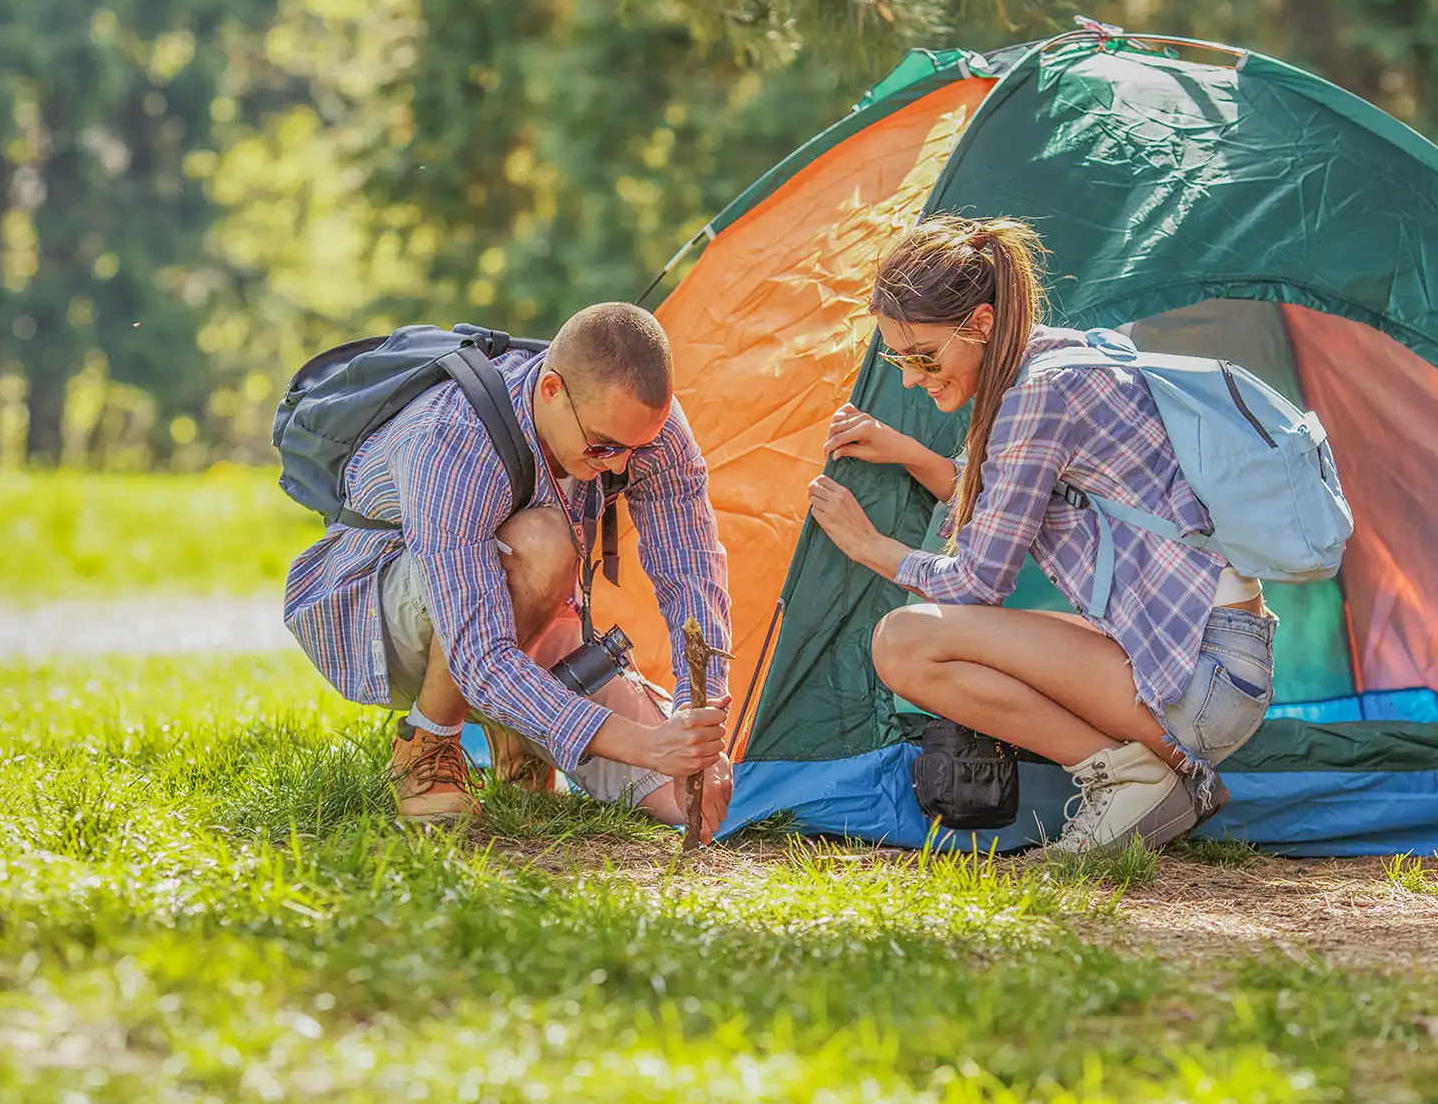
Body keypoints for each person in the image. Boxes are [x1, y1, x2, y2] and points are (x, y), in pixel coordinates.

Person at [804, 215, 1278, 853]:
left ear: (979, 324)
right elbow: (1010, 500)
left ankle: (1130, 781)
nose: (912, 377)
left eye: (921, 355)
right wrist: (913, 455)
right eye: (898, 356)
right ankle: (1172, 776)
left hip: (1205, 681)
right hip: (1217, 659)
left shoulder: (1039, 396)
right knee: (984, 637)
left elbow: (978, 581)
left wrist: (871, 548)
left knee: (905, 643)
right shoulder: (1059, 358)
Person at [284, 303, 734, 840]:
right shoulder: (451, 438)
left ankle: (517, 734)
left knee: (689, 803)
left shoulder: (643, 428)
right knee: (543, 545)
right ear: (551, 391)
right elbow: (478, 654)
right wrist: (644, 744)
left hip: (520, 618)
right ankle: (425, 746)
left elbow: (691, 572)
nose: (618, 466)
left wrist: (696, 713)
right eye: (604, 447)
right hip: (380, 613)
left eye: (634, 449)